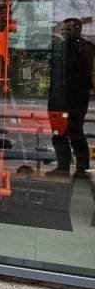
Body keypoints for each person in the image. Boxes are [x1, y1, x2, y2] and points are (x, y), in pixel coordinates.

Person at [47, 17, 95, 179]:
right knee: (59, 131)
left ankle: (82, 169)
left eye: (68, 30)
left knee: (75, 131)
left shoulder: (84, 47)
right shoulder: (62, 47)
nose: (65, 33)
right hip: (61, 96)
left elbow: (84, 72)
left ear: (78, 29)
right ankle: (63, 166)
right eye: (63, 30)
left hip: (77, 97)